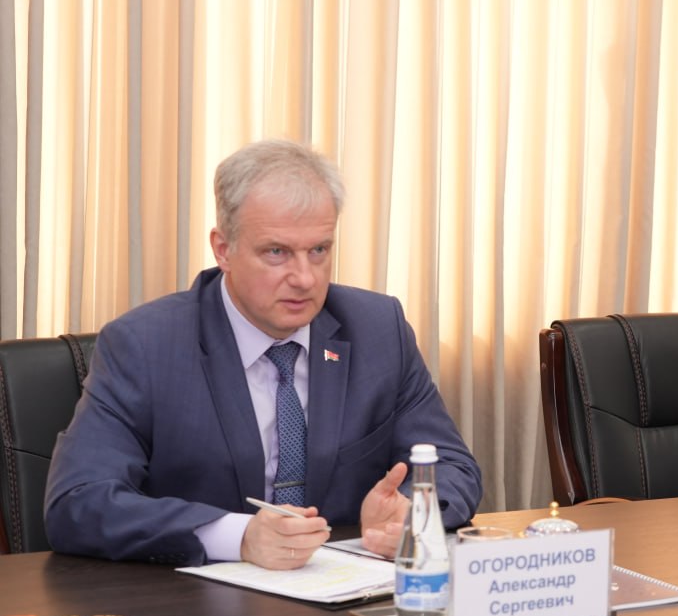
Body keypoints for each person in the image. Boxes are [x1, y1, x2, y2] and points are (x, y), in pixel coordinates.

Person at [44, 139, 482, 569]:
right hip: (196, 601)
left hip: (346, 591)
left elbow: (452, 466)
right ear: (223, 249)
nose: (305, 278)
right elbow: (77, 502)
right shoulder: (145, 345)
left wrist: (413, 512)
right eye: (277, 252)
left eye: (319, 250)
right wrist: (237, 536)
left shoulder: (378, 329)